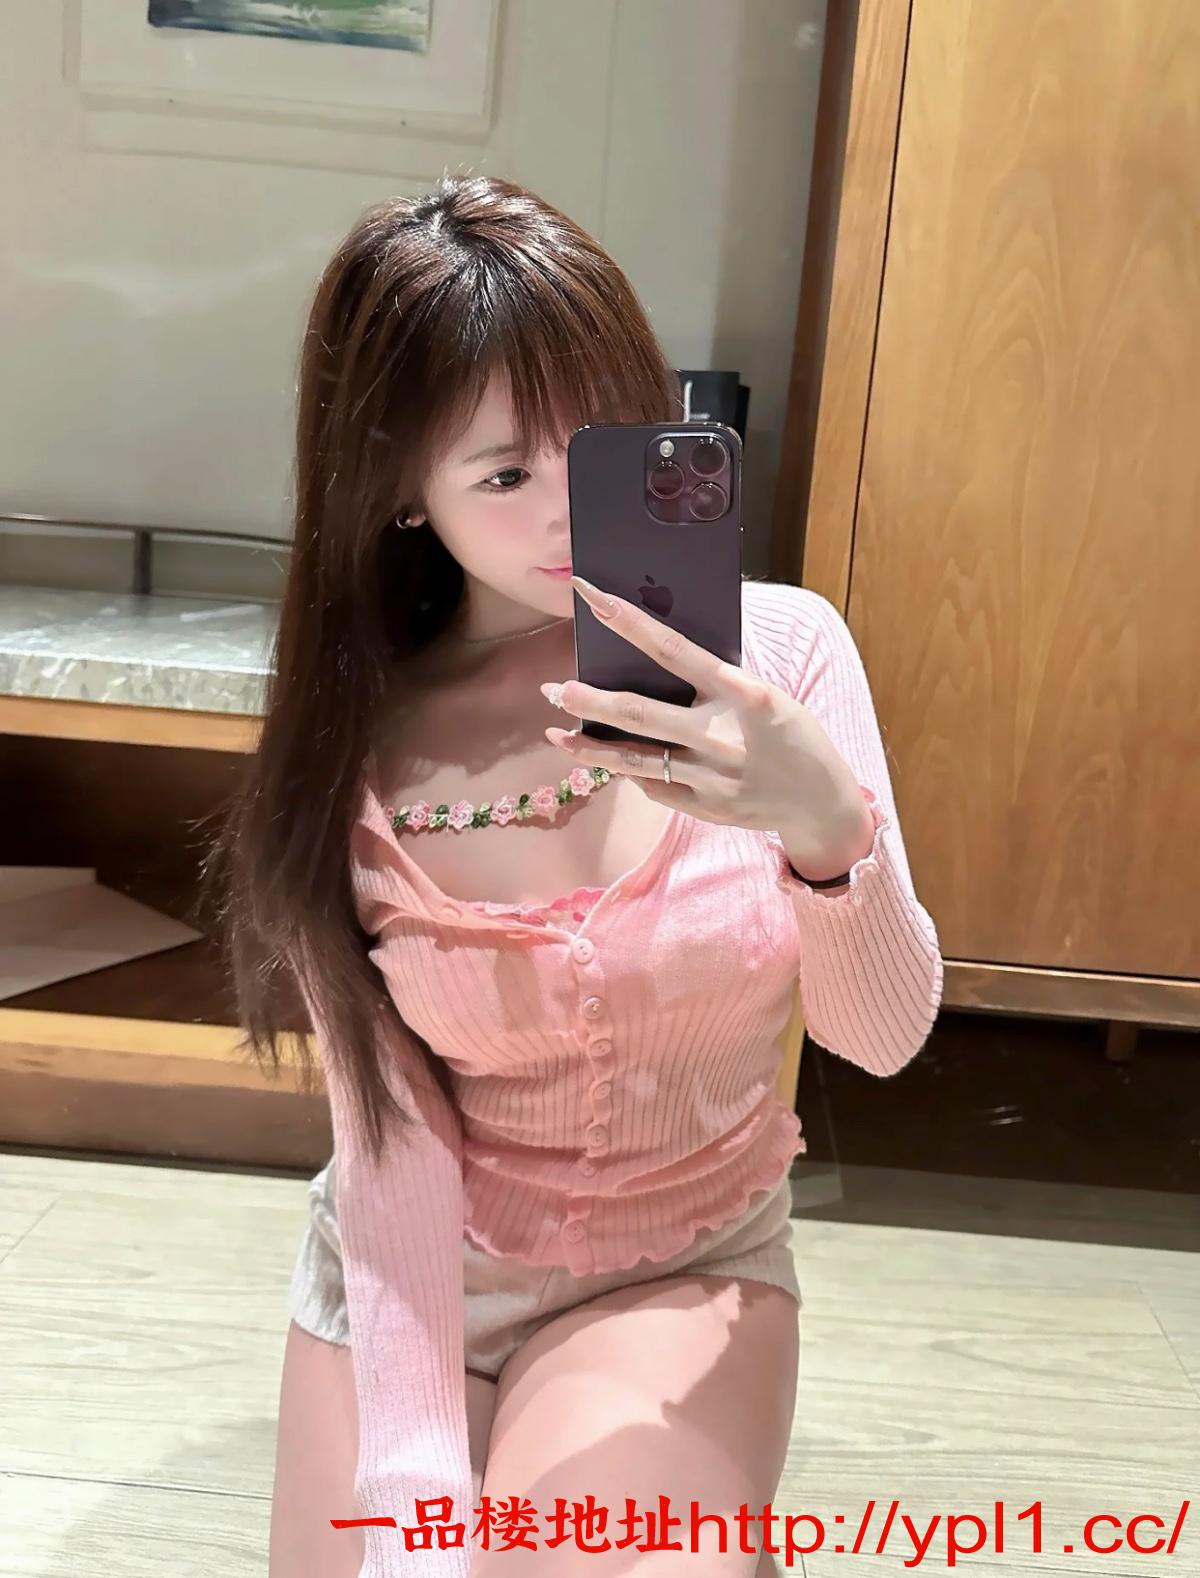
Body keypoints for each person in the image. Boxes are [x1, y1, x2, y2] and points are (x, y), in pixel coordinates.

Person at [206, 174, 943, 1578]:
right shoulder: (349, 744)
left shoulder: (780, 659)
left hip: (678, 1263)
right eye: (502, 476)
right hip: (410, 1276)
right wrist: (417, 1481)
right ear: (401, 493)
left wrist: (826, 830)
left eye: (596, 446)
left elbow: (882, 1036)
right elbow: (391, 1139)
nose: (569, 511)